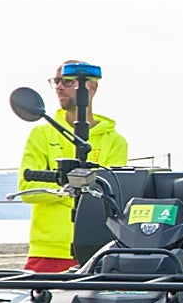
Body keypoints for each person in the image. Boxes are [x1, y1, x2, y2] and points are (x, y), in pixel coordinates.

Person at [19, 61, 129, 272]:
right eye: (57, 81)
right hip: (47, 251)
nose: (60, 87)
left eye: (67, 81)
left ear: (91, 87)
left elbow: (112, 195)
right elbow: (27, 189)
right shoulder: (41, 134)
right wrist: (74, 188)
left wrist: (62, 188)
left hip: (97, 249)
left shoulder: (115, 141)